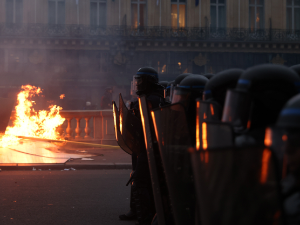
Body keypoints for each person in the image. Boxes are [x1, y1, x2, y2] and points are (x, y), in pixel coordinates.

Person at [119, 67, 165, 225]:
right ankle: (136, 211)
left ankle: (145, 216)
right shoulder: (147, 98)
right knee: (137, 176)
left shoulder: (154, 99)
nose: (137, 84)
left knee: (140, 179)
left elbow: (152, 125)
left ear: (148, 81)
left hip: (150, 146)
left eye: (140, 81)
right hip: (142, 144)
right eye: (136, 81)